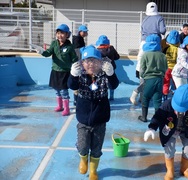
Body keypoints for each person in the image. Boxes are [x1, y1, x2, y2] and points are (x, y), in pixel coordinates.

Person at [67, 45, 119, 180]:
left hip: (100, 120)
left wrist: (111, 74)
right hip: (83, 120)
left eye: (95, 61)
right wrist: (72, 75)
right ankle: (83, 160)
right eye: (87, 61)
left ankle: (93, 171)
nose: (91, 64)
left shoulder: (104, 75)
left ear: (100, 63)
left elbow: (114, 85)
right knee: (83, 146)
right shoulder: (80, 75)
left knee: (96, 149)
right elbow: (71, 85)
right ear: (82, 63)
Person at [36, 24, 78, 116]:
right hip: (55, 71)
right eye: (58, 33)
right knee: (57, 90)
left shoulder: (70, 47)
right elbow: (48, 53)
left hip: (65, 72)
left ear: (67, 35)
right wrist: (42, 52)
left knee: (64, 91)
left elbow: (74, 59)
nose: (60, 35)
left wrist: (76, 67)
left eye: (62, 33)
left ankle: (66, 108)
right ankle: (60, 106)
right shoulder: (54, 43)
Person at [130, 1, 166, 105]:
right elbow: (162, 30)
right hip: (155, 43)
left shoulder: (145, 20)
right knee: (154, 68)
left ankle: (141, 96)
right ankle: (140, 93)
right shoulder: (159, 18)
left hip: (144, 43)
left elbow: (141, 31)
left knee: (142, 65)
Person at [138, 34, 168, 122]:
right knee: (157, 99)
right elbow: (166, 68)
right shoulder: (163, 55)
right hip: (159, 79)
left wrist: (143, 76)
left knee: (145, 97)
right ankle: (157, 119)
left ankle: (144, 117)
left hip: (149, 79)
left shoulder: (145, 55)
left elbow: (142, 69)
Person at [96, 35, 120, 101]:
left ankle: (104, 95)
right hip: (111, 68)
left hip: (101, 69)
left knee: (103, 83)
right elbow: (117, 57)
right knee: (111, 81)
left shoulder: (97, 50)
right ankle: (111, 96)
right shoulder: (111, 48)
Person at [72, 24, 89, 106]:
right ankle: (76, 100)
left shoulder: (79, 38)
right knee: (78, 80)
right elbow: (78, 51)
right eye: (85, 32)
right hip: (78, 64)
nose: (86, 33)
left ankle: (77, 99)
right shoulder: (77, 39)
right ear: (80, 32)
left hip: (80, 63)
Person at [162, 30, 180, 101]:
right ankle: (174, 95)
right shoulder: (179, 49)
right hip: (175, 69)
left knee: (166, 82)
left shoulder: (166, 49)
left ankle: (165, 96)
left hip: (167, 68)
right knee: (175, 83)